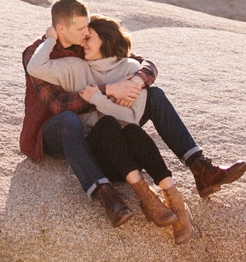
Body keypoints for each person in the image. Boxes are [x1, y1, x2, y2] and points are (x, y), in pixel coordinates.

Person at [20, 0, 246, 228]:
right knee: (68, 119)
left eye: (87, 27)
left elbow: (142, 62)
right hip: (54, 132)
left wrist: (136, 82)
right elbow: (59, 105)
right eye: (81, 29)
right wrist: (109, 90)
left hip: (97, 123)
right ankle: (105, 194)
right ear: (61, 29)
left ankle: (200, 168)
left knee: (155, 95)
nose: (86, 33)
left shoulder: (81, 44)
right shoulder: (35, 54)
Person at [29, 15, 198, 244]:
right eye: (82, 36)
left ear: (105, 39)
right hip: (93, 151)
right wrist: (49, 39)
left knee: (133, 132)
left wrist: (104, 96)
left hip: (122, 154)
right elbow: (39, 72)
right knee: (107, 125)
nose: (82, 42)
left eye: (88, 37)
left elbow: (133, 118)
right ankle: (141, 193)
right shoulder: (75, 66)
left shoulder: (131, 70)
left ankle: (173, 197)